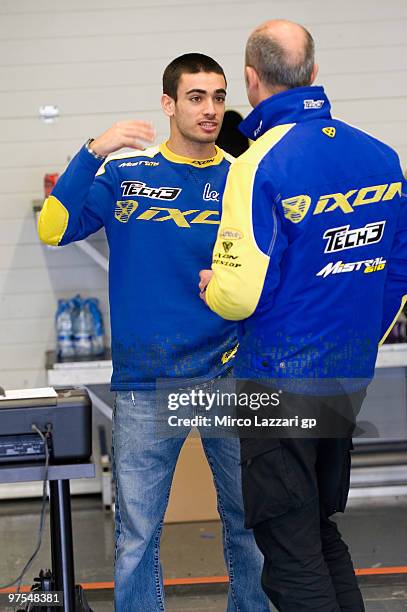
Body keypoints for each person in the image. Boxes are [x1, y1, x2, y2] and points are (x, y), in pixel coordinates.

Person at [38, 54, 270, 612]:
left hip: (231, 374)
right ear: (168, 104)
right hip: (147, 382)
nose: (210, 109)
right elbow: (54, 227)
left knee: (250, 528)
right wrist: (94, 150)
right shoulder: (125, 175)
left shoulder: (243, 178)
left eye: (218, 97)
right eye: (196, 97)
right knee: (138, 536)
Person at [200, 19, 407, 612]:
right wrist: (360, 334)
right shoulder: (381, 154)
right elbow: (398, 269)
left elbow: (239, 295)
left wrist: (214, 286)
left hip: (276, 382)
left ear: (249, 81)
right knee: (315, 529)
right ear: (314, 74)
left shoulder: (257, 164)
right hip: (348, 375)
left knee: (289, 553)